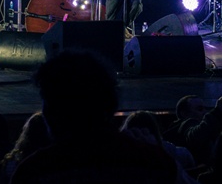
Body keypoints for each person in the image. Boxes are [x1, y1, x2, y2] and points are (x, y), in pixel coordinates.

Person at [10, 49, 179, 183]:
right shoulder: (153, 161)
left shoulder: (34, 171)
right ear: (110, 104)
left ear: (51, 110)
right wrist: (156, 151)